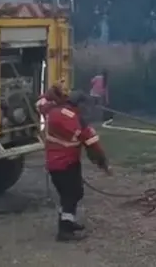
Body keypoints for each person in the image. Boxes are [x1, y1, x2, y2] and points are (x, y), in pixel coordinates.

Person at [43, 90, 111, 242]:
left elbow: (41, 103)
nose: (87, 109)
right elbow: (93, 145)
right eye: (85, 105)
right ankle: (64, 231)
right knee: (71, 195)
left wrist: (51, 92)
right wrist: (104, 164)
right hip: (66, 164)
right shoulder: (76, 120)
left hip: (55, 164)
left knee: (71, 194)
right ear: (78, 104)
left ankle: (68, 221)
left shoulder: (52, 111)